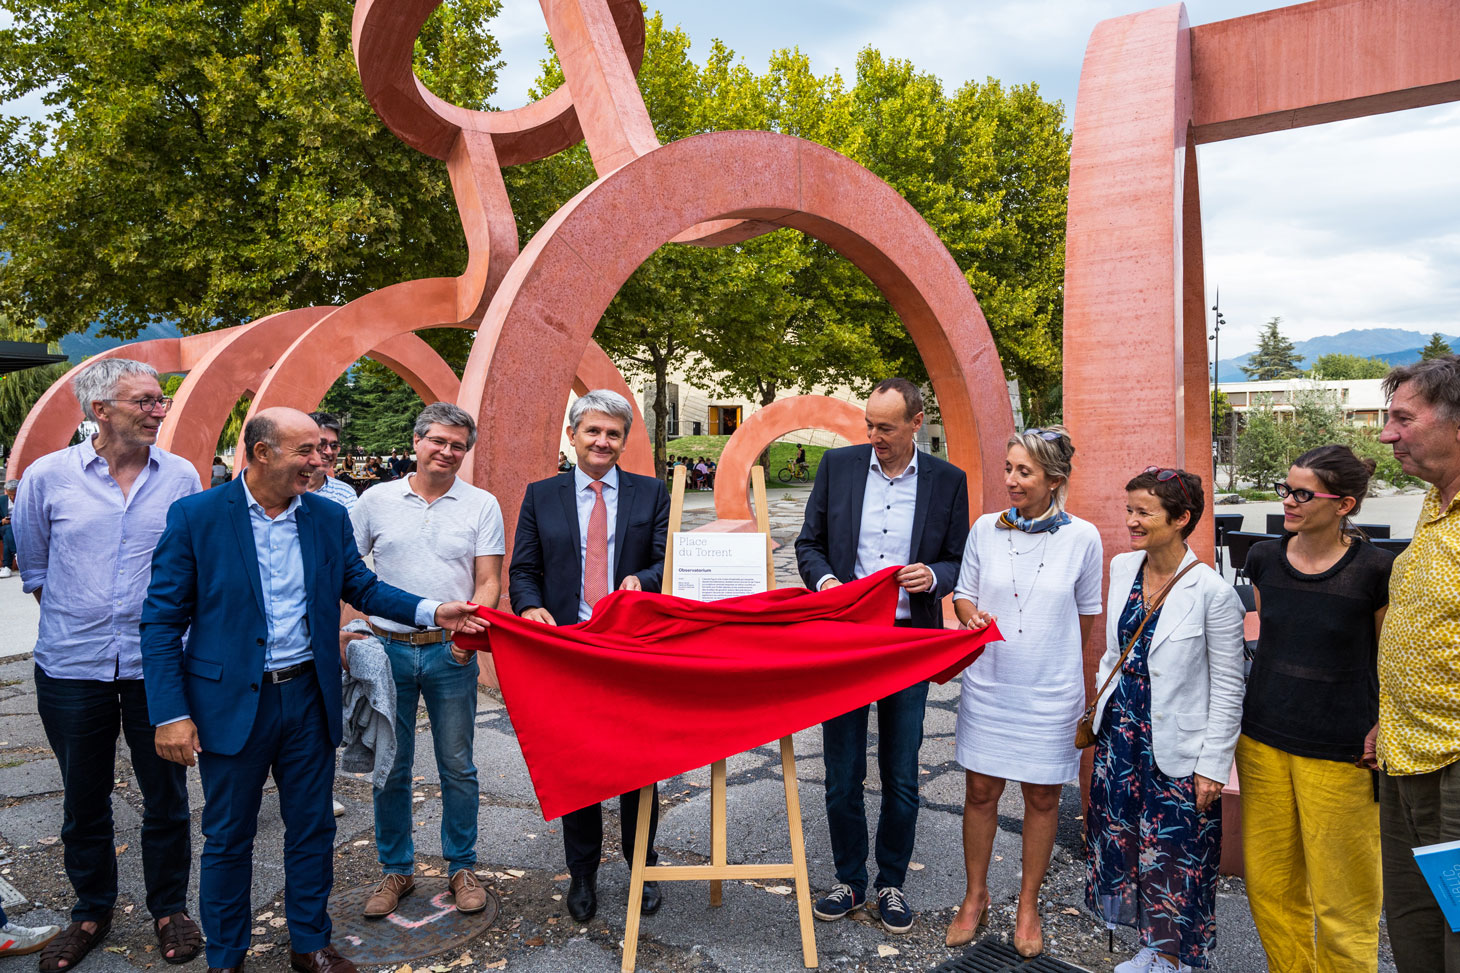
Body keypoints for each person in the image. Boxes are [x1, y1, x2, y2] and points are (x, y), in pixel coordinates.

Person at [140, 407, 486, 973]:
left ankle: (310, 944)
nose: (319, 459)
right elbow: (159, 622)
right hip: (230, 705)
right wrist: (170, 712)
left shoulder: (325, 517)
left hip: (306, 696)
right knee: (228, 838)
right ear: (260, 452)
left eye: (322, 449)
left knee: (313, 829)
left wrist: (434, 610)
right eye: (306, 450)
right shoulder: (196, 516)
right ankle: (226, 958)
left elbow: (363, 585)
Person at [13, 358, 203, 971]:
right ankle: (90, 909)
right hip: (71, 666)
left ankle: (170, 907)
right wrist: (84, 617)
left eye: (161, 400)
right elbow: (36, 569)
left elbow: (191, 570)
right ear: (101, 410)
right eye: (146, 401)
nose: (160, 410)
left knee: (167, 796)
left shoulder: (180, 477)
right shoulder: (47, 477)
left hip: (158, 669)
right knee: (83, 798)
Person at [794, 377, 970, 935]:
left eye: (886, 428)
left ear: (917, 423)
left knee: (900, 773)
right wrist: (825, 583)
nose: (874, 436)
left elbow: (957, 558)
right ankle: (849, 878)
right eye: (869, 424)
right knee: (841, 773)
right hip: (845, 641)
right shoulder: (838, 468)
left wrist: (935, 576)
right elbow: (808, 544)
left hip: (906, 645)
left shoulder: (947, 481)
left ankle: (891, 880)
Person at [508, 389, 670, 923]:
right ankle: (583, 873)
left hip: (629, 648)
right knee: (577, 764)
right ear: (573, 435)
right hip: (565, 649)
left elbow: (664, 562)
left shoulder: (652, 494)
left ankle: (641, 865)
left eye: (614, 433)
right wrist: (529, 608)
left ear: (624, 441)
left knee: (636, 763)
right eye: (593, 431)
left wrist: (639, 581)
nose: (603, 441)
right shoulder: (541, 495)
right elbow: (524, 570)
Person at [947, 426, 1103, 954]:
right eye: (1009, 468)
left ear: (1054, 479)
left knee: (1041, 797)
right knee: (980, 792)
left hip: (1050, 690)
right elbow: (963, 594)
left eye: (1024, 471)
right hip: (990, 683)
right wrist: (970, 617)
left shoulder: (1084, 537)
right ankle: (975, 896)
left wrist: (1054, 663)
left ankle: (1028, 903)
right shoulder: (984, 529)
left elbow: (1084, 619)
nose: (1011, 480)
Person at [1237, 445, 1392, 973]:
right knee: (1271, 887)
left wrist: (1383, 728)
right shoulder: (1263, 557)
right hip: (1261, 740)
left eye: (1304, 493)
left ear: (1344, 504)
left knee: (1344, 899)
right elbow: (1274, 639)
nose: (1289, 501)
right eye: (1287, 489)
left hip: (1342, 752)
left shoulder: (1375, 570)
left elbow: (1388, 662)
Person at [1085, 467, 1245, 973]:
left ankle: (1177, 959)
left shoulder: (1211, 592)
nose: (1131, 521)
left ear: (1181, 519)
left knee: (1176, 854)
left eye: (1143, 512)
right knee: (1126, 844)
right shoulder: (1123, 567)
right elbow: (1113, 652)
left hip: (1175, 748)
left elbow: (1228, 686)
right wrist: (1102, 704)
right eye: (1128, 509)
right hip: (1121, 739)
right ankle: (1150, 948)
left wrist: (1214, 766)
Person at [351, 403, 504, 919]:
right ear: (416, 441)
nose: (447, 451)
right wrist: (350, 634)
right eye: (438, 441)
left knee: (458, 766)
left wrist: (468, 642)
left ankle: (461, 865)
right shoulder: (375, 500)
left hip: (450, 651)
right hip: (387, 649)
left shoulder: (481, 504)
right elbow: (349, 573)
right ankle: (396, 869)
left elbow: (488, 580)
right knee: (391, 767)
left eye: (458, 445)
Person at [1373, 354, 1460, 970]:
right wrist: (1392, 716)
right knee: (1414, 924)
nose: (1386, 434)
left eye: (1404, 418)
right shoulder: (1435, 504)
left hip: (1456, 764)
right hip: (1406, 754)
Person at [305, 413, 358, 512]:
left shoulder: (345, 494)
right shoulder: (282, 490)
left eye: (334, 445)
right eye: (321, 444)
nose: (329, 451)